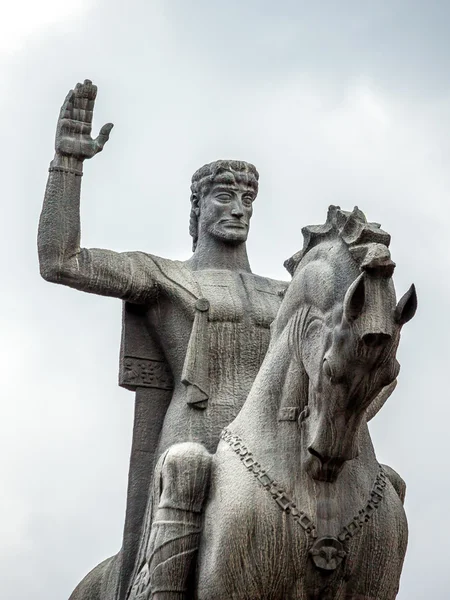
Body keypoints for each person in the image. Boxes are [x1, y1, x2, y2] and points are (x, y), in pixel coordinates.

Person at [38, 80, 287, 599]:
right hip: (197, 433)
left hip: (275, 447)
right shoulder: (162, 275)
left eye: (247, 199)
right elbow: (61, 261)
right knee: (186, 468)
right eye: (225, 196)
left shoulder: (285, 294)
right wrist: (68, 162)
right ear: (198, 209)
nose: (239, 208)